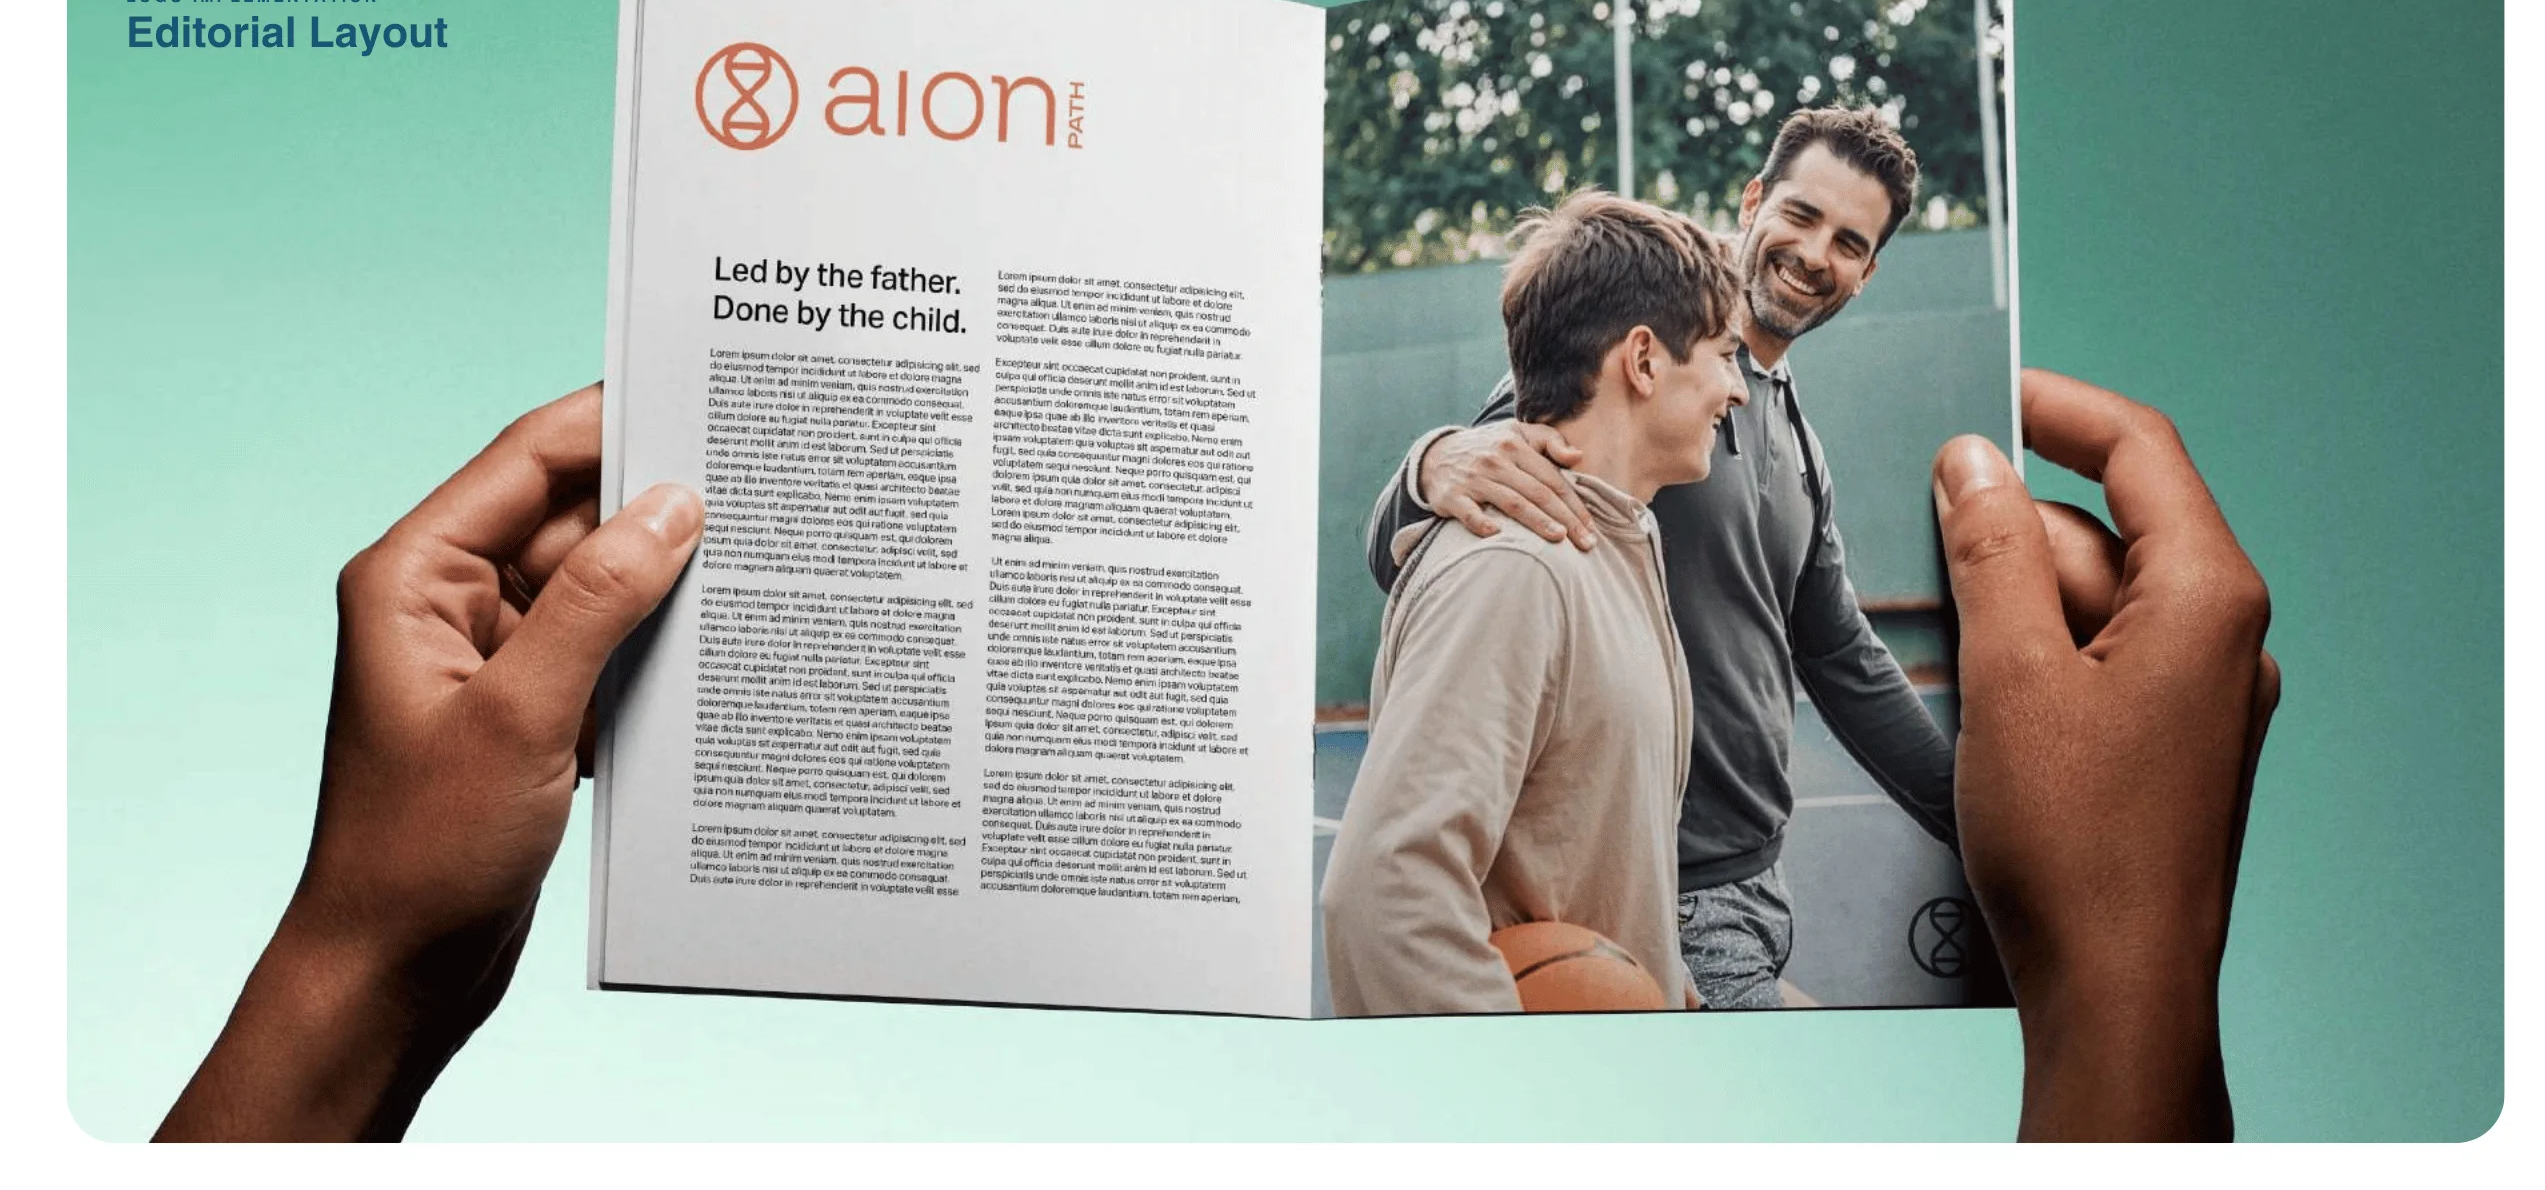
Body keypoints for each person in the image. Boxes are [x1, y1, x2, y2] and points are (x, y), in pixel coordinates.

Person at [158, 369, 2276, 1140]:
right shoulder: (1517, 533)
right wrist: (2119, 983)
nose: (1773, 322)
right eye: (1739, 307)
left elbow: (1833, 654)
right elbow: (1392, 861)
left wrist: (364, 970)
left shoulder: (1764, 465)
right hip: (1653, 944)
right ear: (1652, 349)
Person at [1364, 104, 1954, 1009]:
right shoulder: (1643, 363)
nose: (1813, 254)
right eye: (1799, 214)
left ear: (1866, 273)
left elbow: (1838, 652)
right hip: (1663, 887)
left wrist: (1979, 822)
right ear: (1754, 199)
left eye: (1848, 242)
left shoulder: (1796, 436)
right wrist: (1429, 461)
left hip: (1759, 875)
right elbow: (1481, 491)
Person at [1321, 191, 1750, 1016]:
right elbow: (1384, 897)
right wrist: (1529, 1100)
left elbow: (1590, 850)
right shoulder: (1518, 568)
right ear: (1645, 360)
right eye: (1724, 355)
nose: (1736, 389)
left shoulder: (1608, 545)